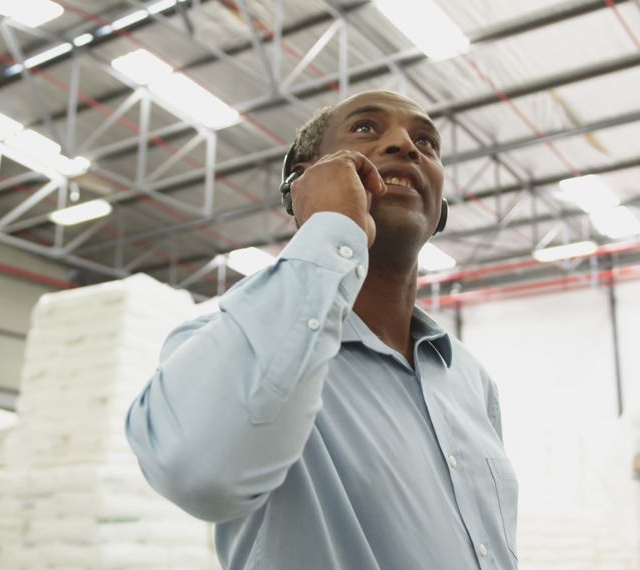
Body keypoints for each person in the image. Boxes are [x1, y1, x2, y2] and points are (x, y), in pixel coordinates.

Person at [126, 90, 518, 570]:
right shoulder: (228, 343)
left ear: (440, 209)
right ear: (303, 181)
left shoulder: (470, 381)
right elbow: (200, 476)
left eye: (426, 142)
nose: (406, 146)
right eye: (366, 128)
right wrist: (334, 224)